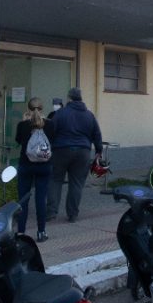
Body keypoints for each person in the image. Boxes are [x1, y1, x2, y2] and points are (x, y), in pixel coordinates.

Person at [47, 87, 103, 223]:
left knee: (55, 180)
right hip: (83, 152)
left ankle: (51, 212)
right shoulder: (89, 115)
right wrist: (98, 151)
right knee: (77, 183)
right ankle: (72, 214)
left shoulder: (60, 113)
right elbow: (97, 134)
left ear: (69, 98)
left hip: (61, 150)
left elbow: (50, 131)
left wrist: (50, 146)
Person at [15, 97, 55, 242]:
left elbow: (18, 141)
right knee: (40, 199)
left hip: (26, 166)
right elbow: (53, 142)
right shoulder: (50, 125)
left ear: (28, 109)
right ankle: (41, 232)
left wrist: (24, 121)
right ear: (42, 109)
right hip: (44, 167)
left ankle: (20, 233)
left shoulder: (23, 125)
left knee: (23, 200)